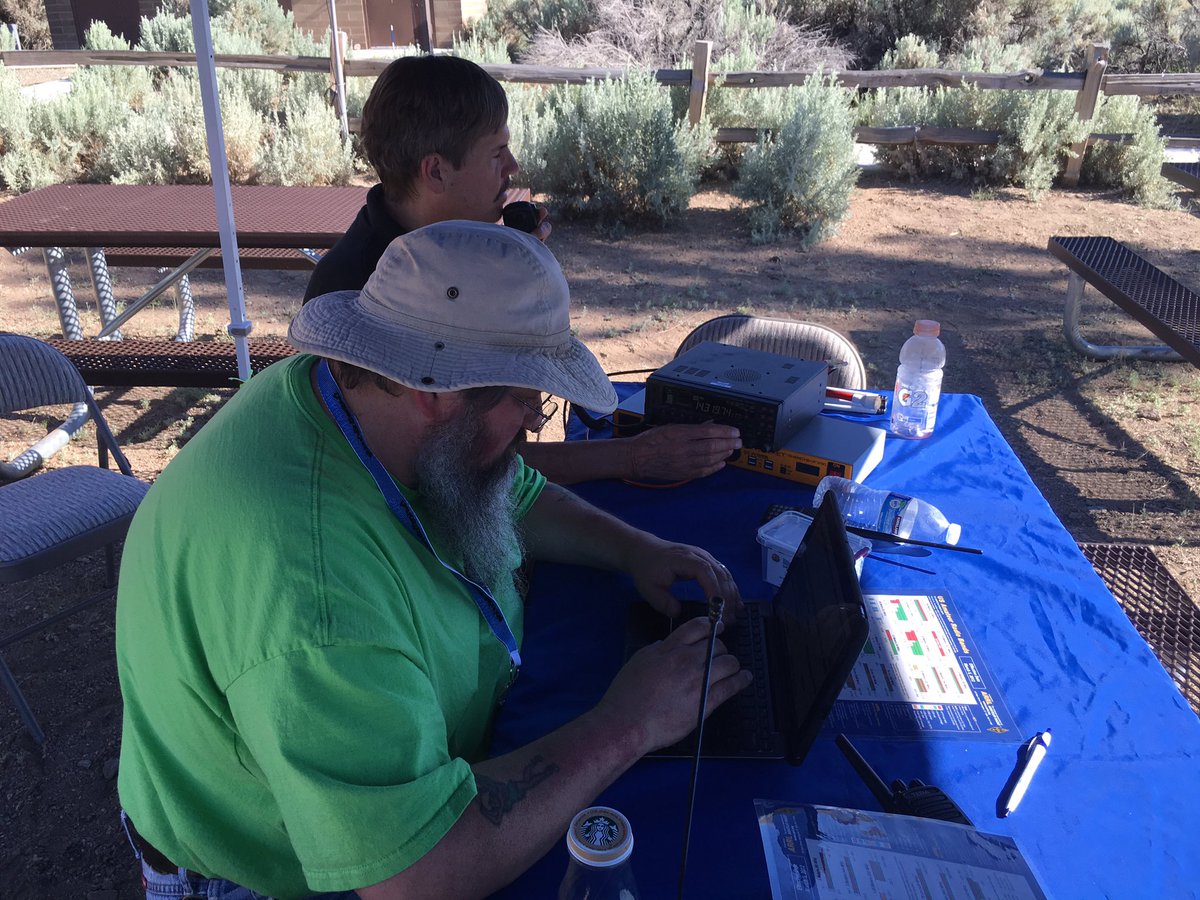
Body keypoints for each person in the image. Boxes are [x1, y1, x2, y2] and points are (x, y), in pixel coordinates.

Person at [116, 221, 751, 900]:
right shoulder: (320, 595)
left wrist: (636, 549)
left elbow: (511, 487)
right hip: (266, 868)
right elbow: (416, 876)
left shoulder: (357, 400)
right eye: (523, 396)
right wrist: (632, 723)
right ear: (437, 393)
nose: (537, 419)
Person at [306, 54, 741, 486]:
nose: (512, 168)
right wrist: (631, 457)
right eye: (497, 153)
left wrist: (515, 278)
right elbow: (460, 465)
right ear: (436, 171)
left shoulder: (450, 248)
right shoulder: (359, 295)